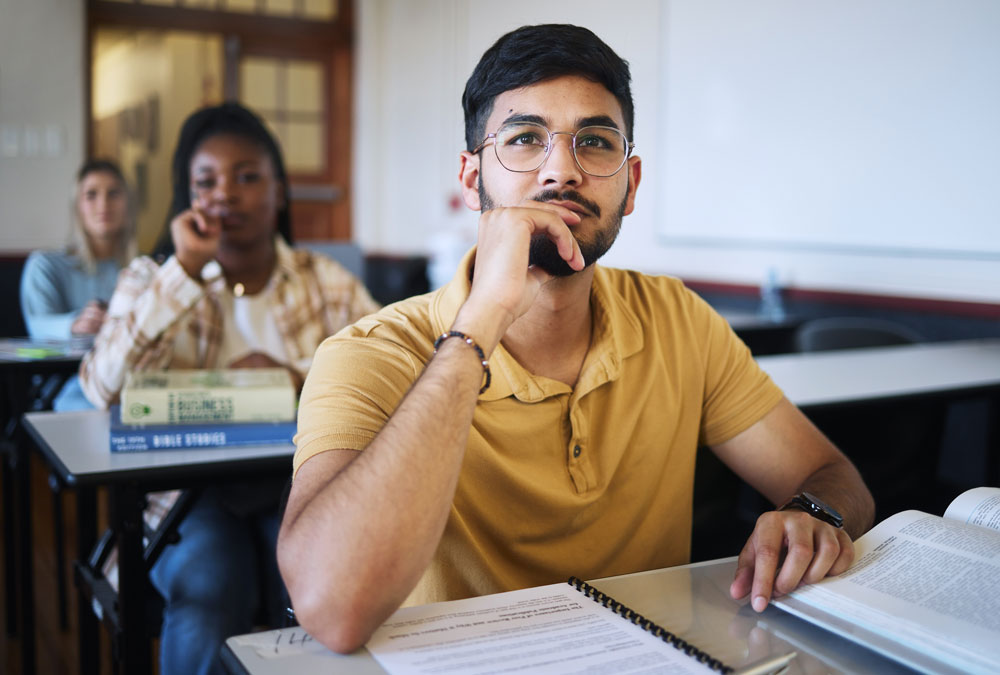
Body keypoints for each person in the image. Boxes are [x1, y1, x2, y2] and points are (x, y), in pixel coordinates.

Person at [278, 24, 875, 654]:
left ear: (631, 183)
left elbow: (834, 476)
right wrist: (481, 324)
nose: (560, 171)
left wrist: (814, 517)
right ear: (471, 175)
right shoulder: (368, 353)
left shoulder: (678, 321)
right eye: (525, 139)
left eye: (593, 142)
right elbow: (332, 609)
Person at [79, 102, 379, 675]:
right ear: (186, 196)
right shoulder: (151, 277)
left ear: (280, 191)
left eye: (247, 177)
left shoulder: (326, 281)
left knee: (325, 585)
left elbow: (389, 374)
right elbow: (98, 387)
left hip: (301, 487)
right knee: (212, 588)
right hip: (185, 497)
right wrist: (184, 273)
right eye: (206, 180)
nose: (226, 194)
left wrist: (296, 378)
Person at [19, 159, 137, 409]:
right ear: (77, 207)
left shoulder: (142, 270)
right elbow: (38, 326)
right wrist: (74, 325)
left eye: (113, 193)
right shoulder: (45, 265)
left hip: (135, 384)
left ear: (128, 205)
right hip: (71, 388)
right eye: (91, 194)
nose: (103, 204)